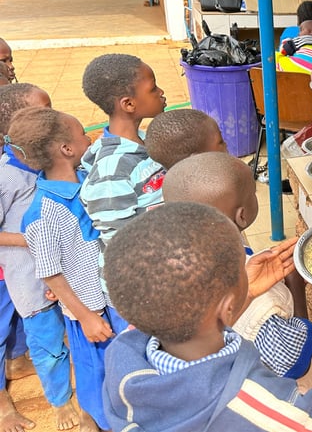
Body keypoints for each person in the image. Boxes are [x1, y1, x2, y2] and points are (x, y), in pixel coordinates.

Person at [102, 203, 312, 432]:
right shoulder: (250, 401)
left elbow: (196, 326)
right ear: (226, 307)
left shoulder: (124, 355)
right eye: (240, 265)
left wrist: (246, 293)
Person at [12, 106, 129, 432]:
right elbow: (50, 272)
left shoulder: (86, 179)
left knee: (119, 366)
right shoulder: (43, 214)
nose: (88, 137)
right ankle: (99, 421)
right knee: (97, 373)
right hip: (88, 312)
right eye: (82, 134)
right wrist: (87, 316)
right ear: (66, 149)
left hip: (109, 299)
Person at [162, 151, 312, 379]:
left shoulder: (165, 272)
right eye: (254, 193)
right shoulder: (264, 306)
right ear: (242, 216)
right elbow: (295, 365)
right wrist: (296, 287)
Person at [0, 84, 84, 431]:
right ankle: (60, 401)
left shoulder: (52, 161)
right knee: (48, 346)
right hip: (32, 285)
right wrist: (30, 239)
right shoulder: (6, 176)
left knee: (76, 334)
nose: (52, 118)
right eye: (43, 112)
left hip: (68, 276)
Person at [79, 54, 167, 294]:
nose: (161, 92)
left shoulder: (146, 140)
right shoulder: (111, 170)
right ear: (128, 104)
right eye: (152, 88)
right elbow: (121, 243)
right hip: (138, 290)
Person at [144, 108, 227, 170]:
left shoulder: (174, 187)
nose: (226, 144)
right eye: (220, 142)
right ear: (197, 160)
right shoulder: (223, 189)